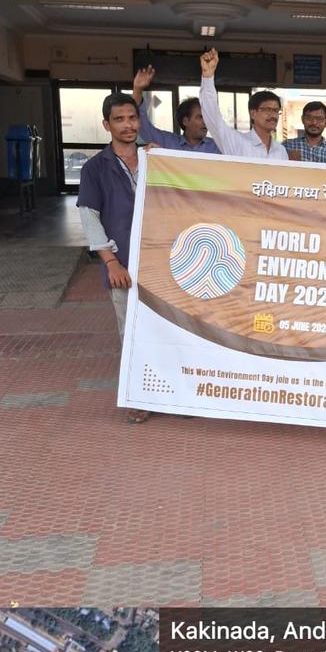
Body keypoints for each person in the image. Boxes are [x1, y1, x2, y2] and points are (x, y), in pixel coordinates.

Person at [77, 93, 152, 424]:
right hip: (122, 264)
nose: (128, 125)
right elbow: (90, 217)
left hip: (159, 262)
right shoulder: (96, 168)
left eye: (132, 118)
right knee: (131, 332)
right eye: (119, 120)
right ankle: (137, 396)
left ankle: (172, 392)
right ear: (106, 125)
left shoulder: (155, 158)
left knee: (165, 330)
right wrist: (111, 262)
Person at [199, 48, 288, 160]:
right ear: (253, 113)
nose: (273, 115)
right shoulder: (237, 141)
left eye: (276, 111)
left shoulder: (281, 151)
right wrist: (208, 77)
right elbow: (213, 118)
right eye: (267, 110)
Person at [131, 65, 221, 153]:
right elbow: (143, 126)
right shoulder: (167, 143)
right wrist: (137, 90)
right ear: (185, 121)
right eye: (200, 117)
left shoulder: (217, 147)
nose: (205, 121)